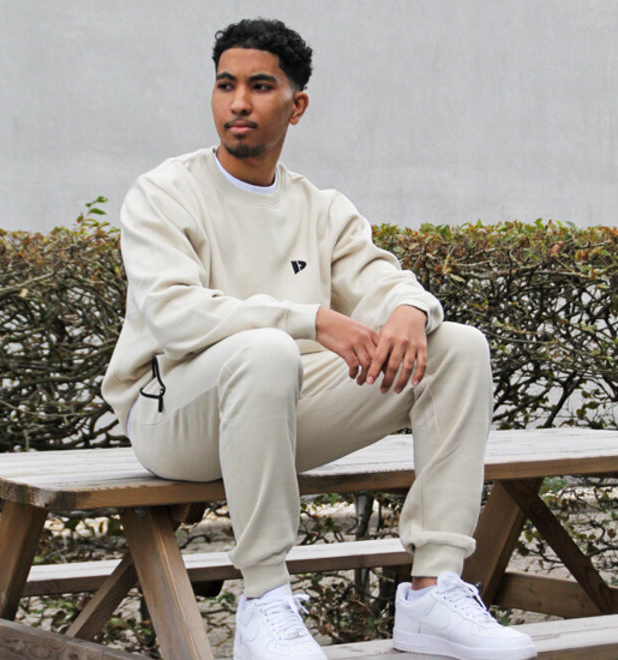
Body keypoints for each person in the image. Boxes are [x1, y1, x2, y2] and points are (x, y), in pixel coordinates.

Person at [102, 17, 536, 660]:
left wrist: (410, 310)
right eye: (225, 85)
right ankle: (263, 600)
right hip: (174, 418)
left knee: (458, 348)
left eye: (259, 86)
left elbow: (382, 278)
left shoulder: (321, 207)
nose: (239, 102)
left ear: (296, 104)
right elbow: (174, 315)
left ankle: (434, 590)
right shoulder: (165, 193)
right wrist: (313, 320)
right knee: (266, 350)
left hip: (279, 409)